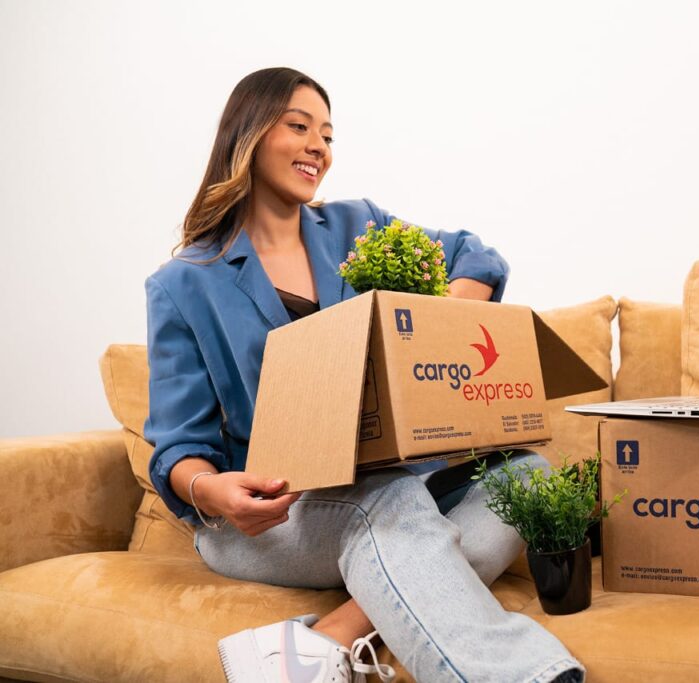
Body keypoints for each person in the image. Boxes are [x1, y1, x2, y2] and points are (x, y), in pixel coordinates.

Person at [144, 67, 584, 683]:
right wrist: (212, 492)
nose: (318, 147)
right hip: (272, 515)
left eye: (327, 135)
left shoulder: (358, 227)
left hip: (384, 486)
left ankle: (327, 639)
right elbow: (178, 446)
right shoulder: (184, 283)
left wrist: (434, 320)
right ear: (248, 134)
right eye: (300, 127)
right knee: (389, 500)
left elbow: (474, 254)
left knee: (527, 477)